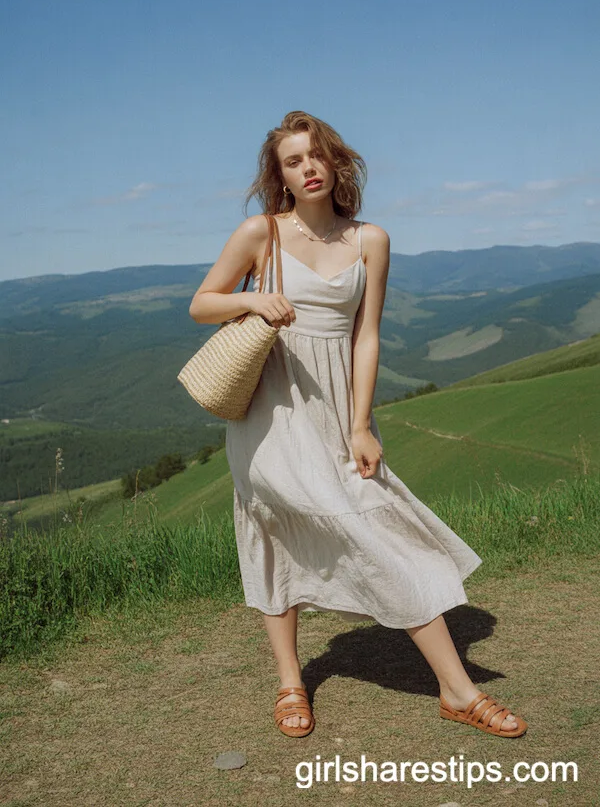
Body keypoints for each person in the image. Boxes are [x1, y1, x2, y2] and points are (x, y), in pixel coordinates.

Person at [188, 110, 527, 740]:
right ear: (280, 174)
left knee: (383, 533)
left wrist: (361, 424)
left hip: (336, 413)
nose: (308, 168)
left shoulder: (370, 239)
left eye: (317, 155)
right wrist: (250, 298)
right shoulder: (259, 234)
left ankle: (456, 691)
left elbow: (365, 337)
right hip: (269, 417)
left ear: (336, 161)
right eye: (294, 160)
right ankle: (292, 683)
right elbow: (201, 304)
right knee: (274, 532)